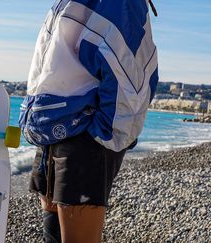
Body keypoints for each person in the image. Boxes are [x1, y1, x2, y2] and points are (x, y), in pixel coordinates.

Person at [19, 0, 159, 242]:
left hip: (85, 136)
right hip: (53, 128)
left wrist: (100, 137)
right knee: (51, 234)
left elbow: (131, 82)